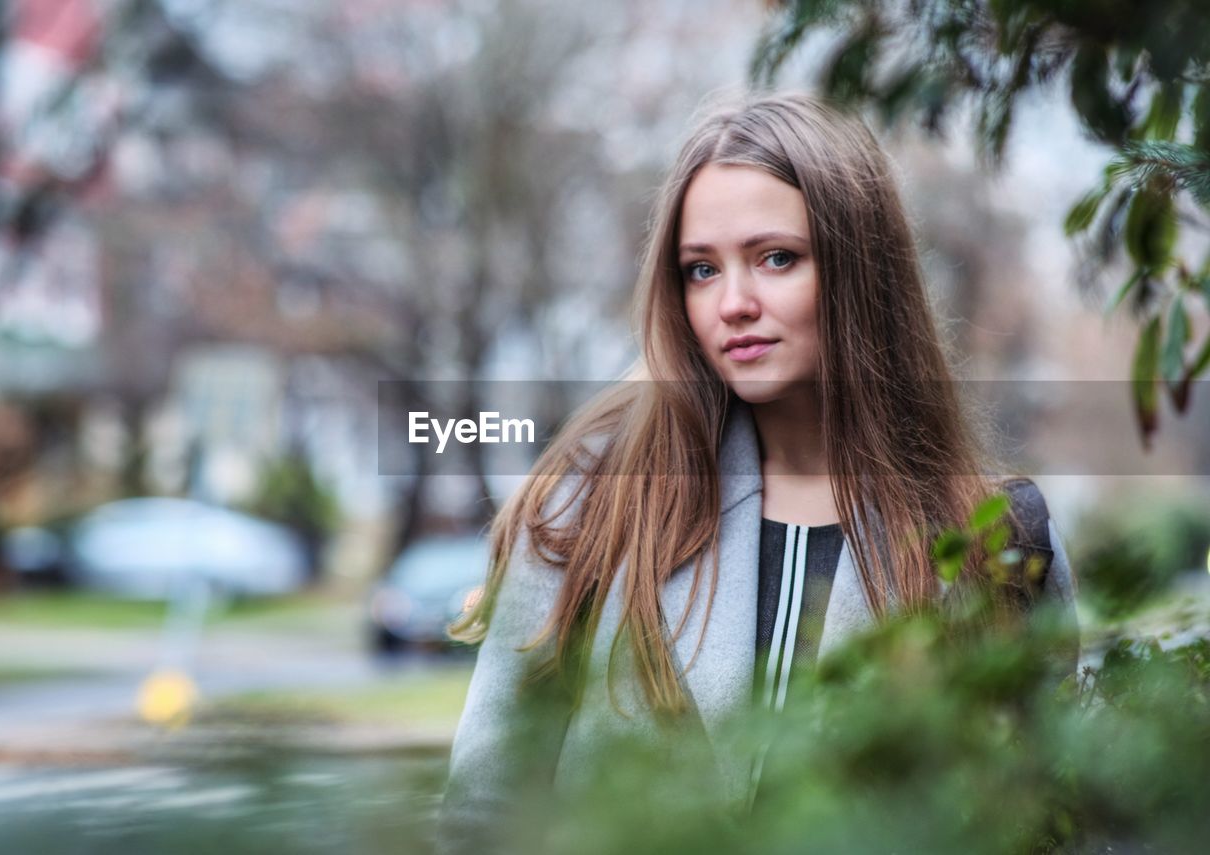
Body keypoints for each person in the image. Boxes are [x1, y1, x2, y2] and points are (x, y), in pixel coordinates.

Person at [433, 91, 1080, 854]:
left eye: (777, 257)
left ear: (858, 269)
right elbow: (483, 814)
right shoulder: (593, 506)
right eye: (701, 269)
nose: (732, 303)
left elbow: (1052, 820)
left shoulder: (997, 537)